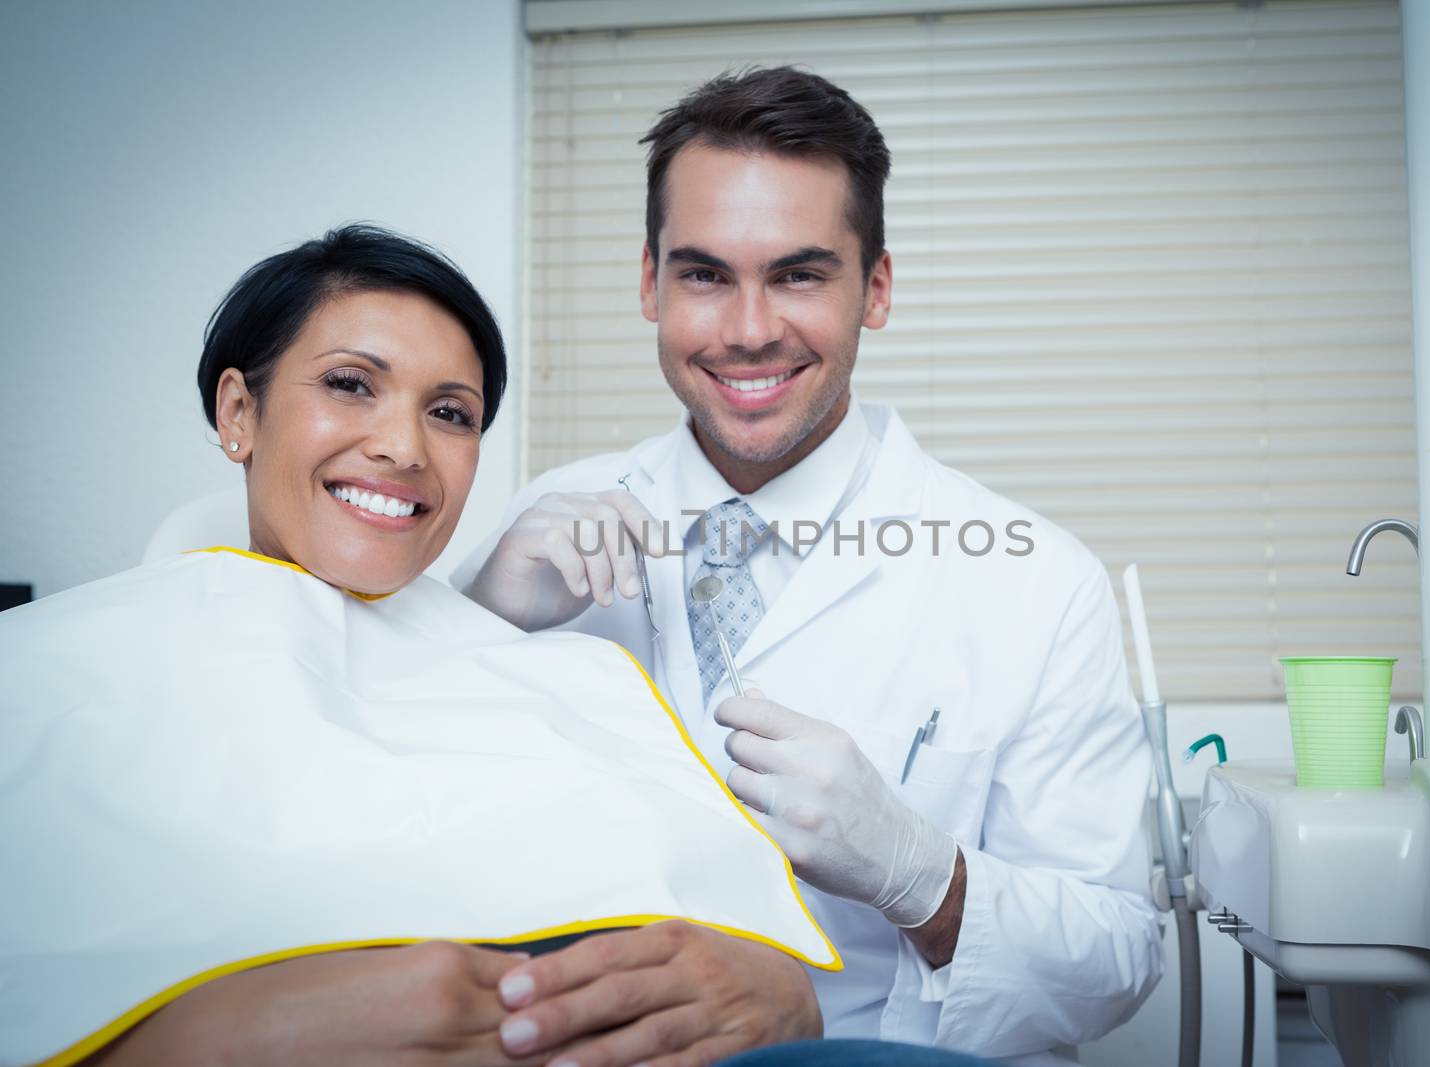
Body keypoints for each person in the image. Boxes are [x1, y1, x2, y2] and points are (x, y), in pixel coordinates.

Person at [457, 68, 1164, 1063]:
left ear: (874, 289)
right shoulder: (536, 529)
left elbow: (1117, 960)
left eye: (797, 275)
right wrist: (471, 629)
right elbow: (407, 833)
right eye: (705, 275)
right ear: (649, 282)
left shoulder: (1039, 582)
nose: (749, 330)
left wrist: (923, 876)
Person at [0, 225, 826, 1067]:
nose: (404, 446)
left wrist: (783, 995)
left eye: (449, 413)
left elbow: (712, 912)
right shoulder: (52, 666)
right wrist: (206, 1038)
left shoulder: (554, 671)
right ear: (238, 410)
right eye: (351, 384)